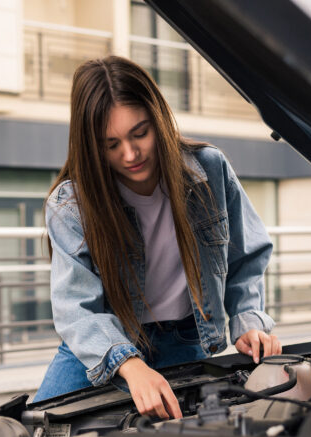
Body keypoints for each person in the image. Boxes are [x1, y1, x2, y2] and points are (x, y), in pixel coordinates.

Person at [33, 55, 281, 418]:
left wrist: (248, 319)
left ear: (159, 119)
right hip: (104, 344)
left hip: (185, 338)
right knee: (39, 428)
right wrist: (130, 366)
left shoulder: (210, 171)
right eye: (111, 144)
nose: (130, 154)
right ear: (90, 145)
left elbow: (245, 256)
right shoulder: (71, 205)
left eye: (140, 133)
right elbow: (76, 309)